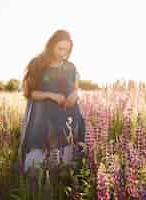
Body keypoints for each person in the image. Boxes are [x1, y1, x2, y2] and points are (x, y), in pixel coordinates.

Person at [18, 29, 86, 174]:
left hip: (66, 116)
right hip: (42, 118)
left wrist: (75, 93)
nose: (63, 53)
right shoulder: (37, 63)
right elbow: (28, 92)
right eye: (60, 48)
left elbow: (76, 88)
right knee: (36, 166)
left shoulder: (70, 67)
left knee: (65, 162)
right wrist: (51, 95)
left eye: (66, 50)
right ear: (51, 45)